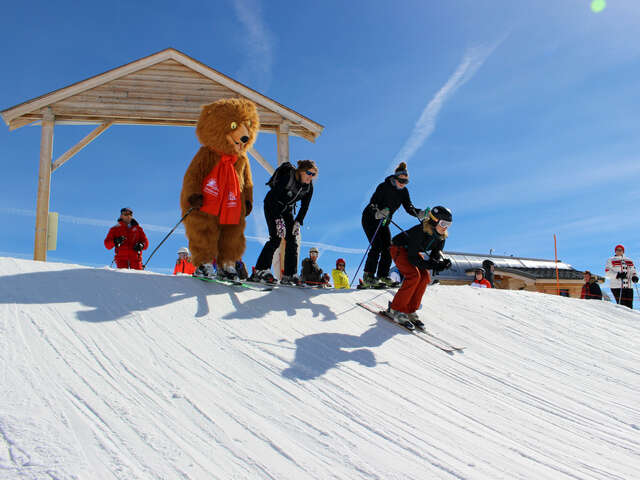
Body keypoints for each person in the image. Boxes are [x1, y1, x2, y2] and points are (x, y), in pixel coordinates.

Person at [250, 160, 318, 285]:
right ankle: (260, 270)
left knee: (292, 239)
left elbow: (305, 206)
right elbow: (273, 197)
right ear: (301, 171)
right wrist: (277, 219)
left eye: (314, 174)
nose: (311, 177)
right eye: (309, 173)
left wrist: (298, 221)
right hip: (272, 205)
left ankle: (290, 274)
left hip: (286, 209)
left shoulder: (309, 186)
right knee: (276, 237)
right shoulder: (289, 177)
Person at [361, 162, 425, 288]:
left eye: (406, 181)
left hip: (384, 221)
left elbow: (409, 207)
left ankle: (382, 276)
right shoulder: (384, 187)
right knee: (377, 245)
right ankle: (368, 275)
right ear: (396, 178)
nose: (403, 183)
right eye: (401, 180)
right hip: (370, 218)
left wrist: (420, 213)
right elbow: (372, 203)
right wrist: (378, 212)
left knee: (389, 247)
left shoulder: (404, 192)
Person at [388, 206, 453, 329]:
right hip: (399, 248)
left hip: (412, 252)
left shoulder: (441, 237)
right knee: (413, 275)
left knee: (424, 277)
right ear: (435, 220)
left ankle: (410, 310)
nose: (445, 227)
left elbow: (434, 258)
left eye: (448, 224)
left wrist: (441, 265)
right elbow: (413, 259)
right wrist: (434, 264)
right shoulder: (420, 232)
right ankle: (395, 309)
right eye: (443, 223)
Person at [605, 244, 637, 308]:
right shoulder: (611, 260)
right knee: (622, 306)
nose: (619, 251)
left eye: (620, 250)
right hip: (617, 286)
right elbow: (607, 272)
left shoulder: (629, 261)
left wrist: (634, 277)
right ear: (615, 251)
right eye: (617, 250)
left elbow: (633, 271)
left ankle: (629, 318)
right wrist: (617, 275)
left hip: (629, 286)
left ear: (623, 251)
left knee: (630, 307)